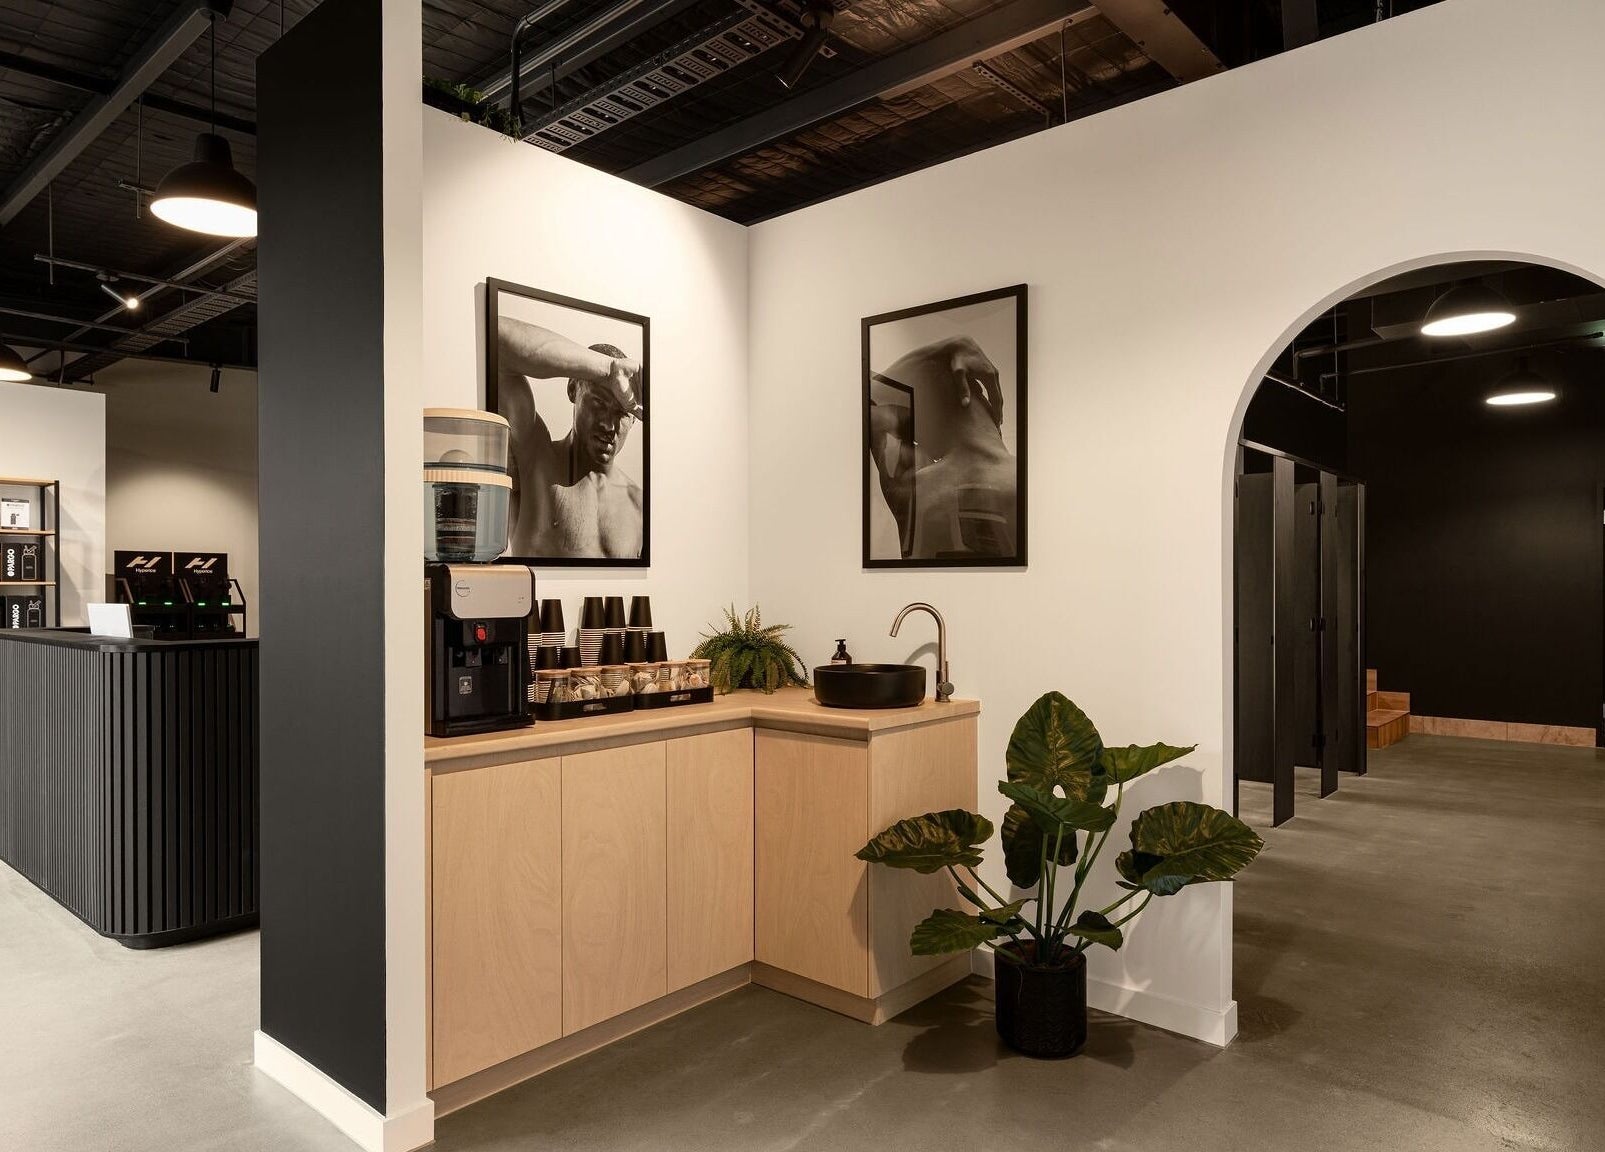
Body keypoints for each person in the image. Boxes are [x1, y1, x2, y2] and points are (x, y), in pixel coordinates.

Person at [496, 315, 644, 559]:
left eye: (621, 413)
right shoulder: (535, 461)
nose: (608, 424)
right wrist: (609, 370)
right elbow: (498, 340)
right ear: (573, 389)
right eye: (598, 403)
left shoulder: (637, 503)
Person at [868, 334, 1015, 559]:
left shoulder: (914, 492)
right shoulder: (1035, 481)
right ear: (990, 404)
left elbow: (869, 395)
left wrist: (950, 346)